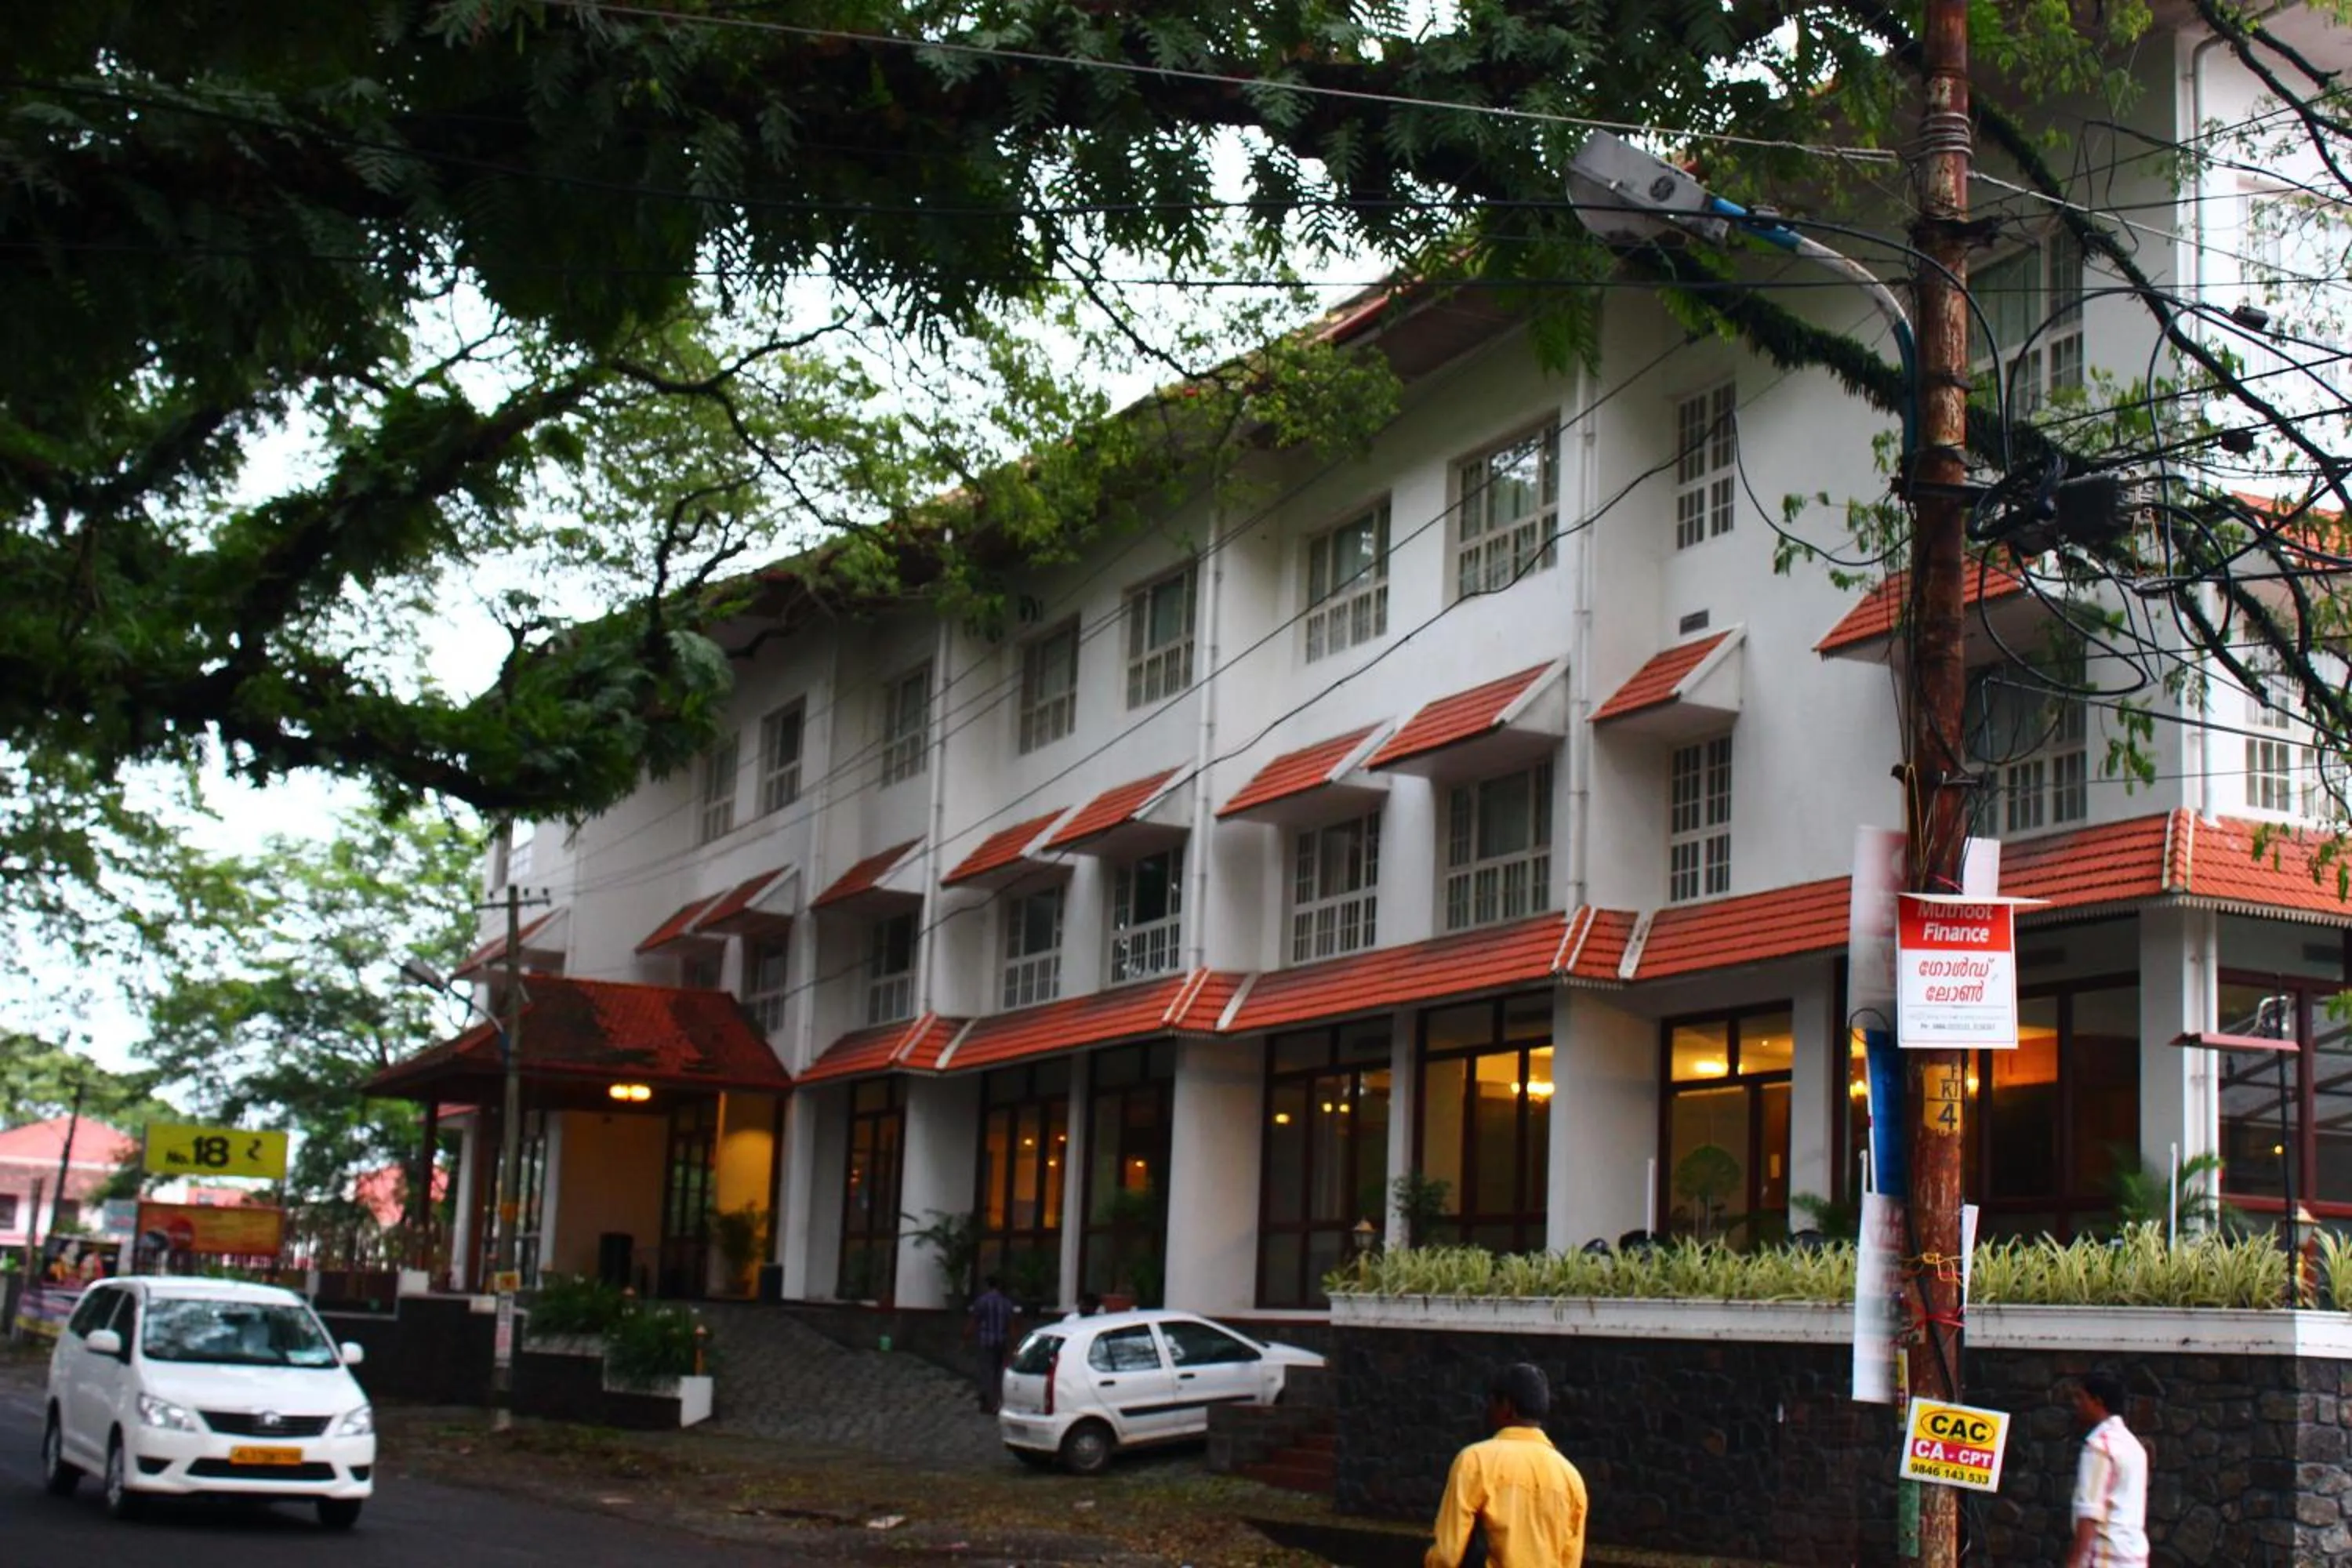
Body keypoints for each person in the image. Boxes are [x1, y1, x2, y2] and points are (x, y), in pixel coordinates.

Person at [1425, 1363, 1588, 1568]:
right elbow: (1570, 1561)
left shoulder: (1475, 1461)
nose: (1489, 1410)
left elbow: (1447, 1556)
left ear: (1507, 1407)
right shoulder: (1571, 1478)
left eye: (1493, 1402)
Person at [2067, 1369, 2150, 1568]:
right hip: (2134, 1559)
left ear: (2098, 1402)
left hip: (2104, 1559)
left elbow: (2089, 1513)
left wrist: (2074, 1564)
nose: (2077, 1405)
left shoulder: (2099, 1446)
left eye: (2081, 1398)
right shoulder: (2133, 1446)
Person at [965, 1275, 1017, 1414]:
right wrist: (1013, 1344)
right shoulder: (1006, 1303)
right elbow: (1011, 1325)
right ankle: (997, 1401)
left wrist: (967, 1336)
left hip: (986, 1341)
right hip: (1001, 1341)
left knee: (987, 1371)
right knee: (998, 1372)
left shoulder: (982, 1301)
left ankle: (988, 1402)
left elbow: (975, 1321)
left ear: (988, 1285)